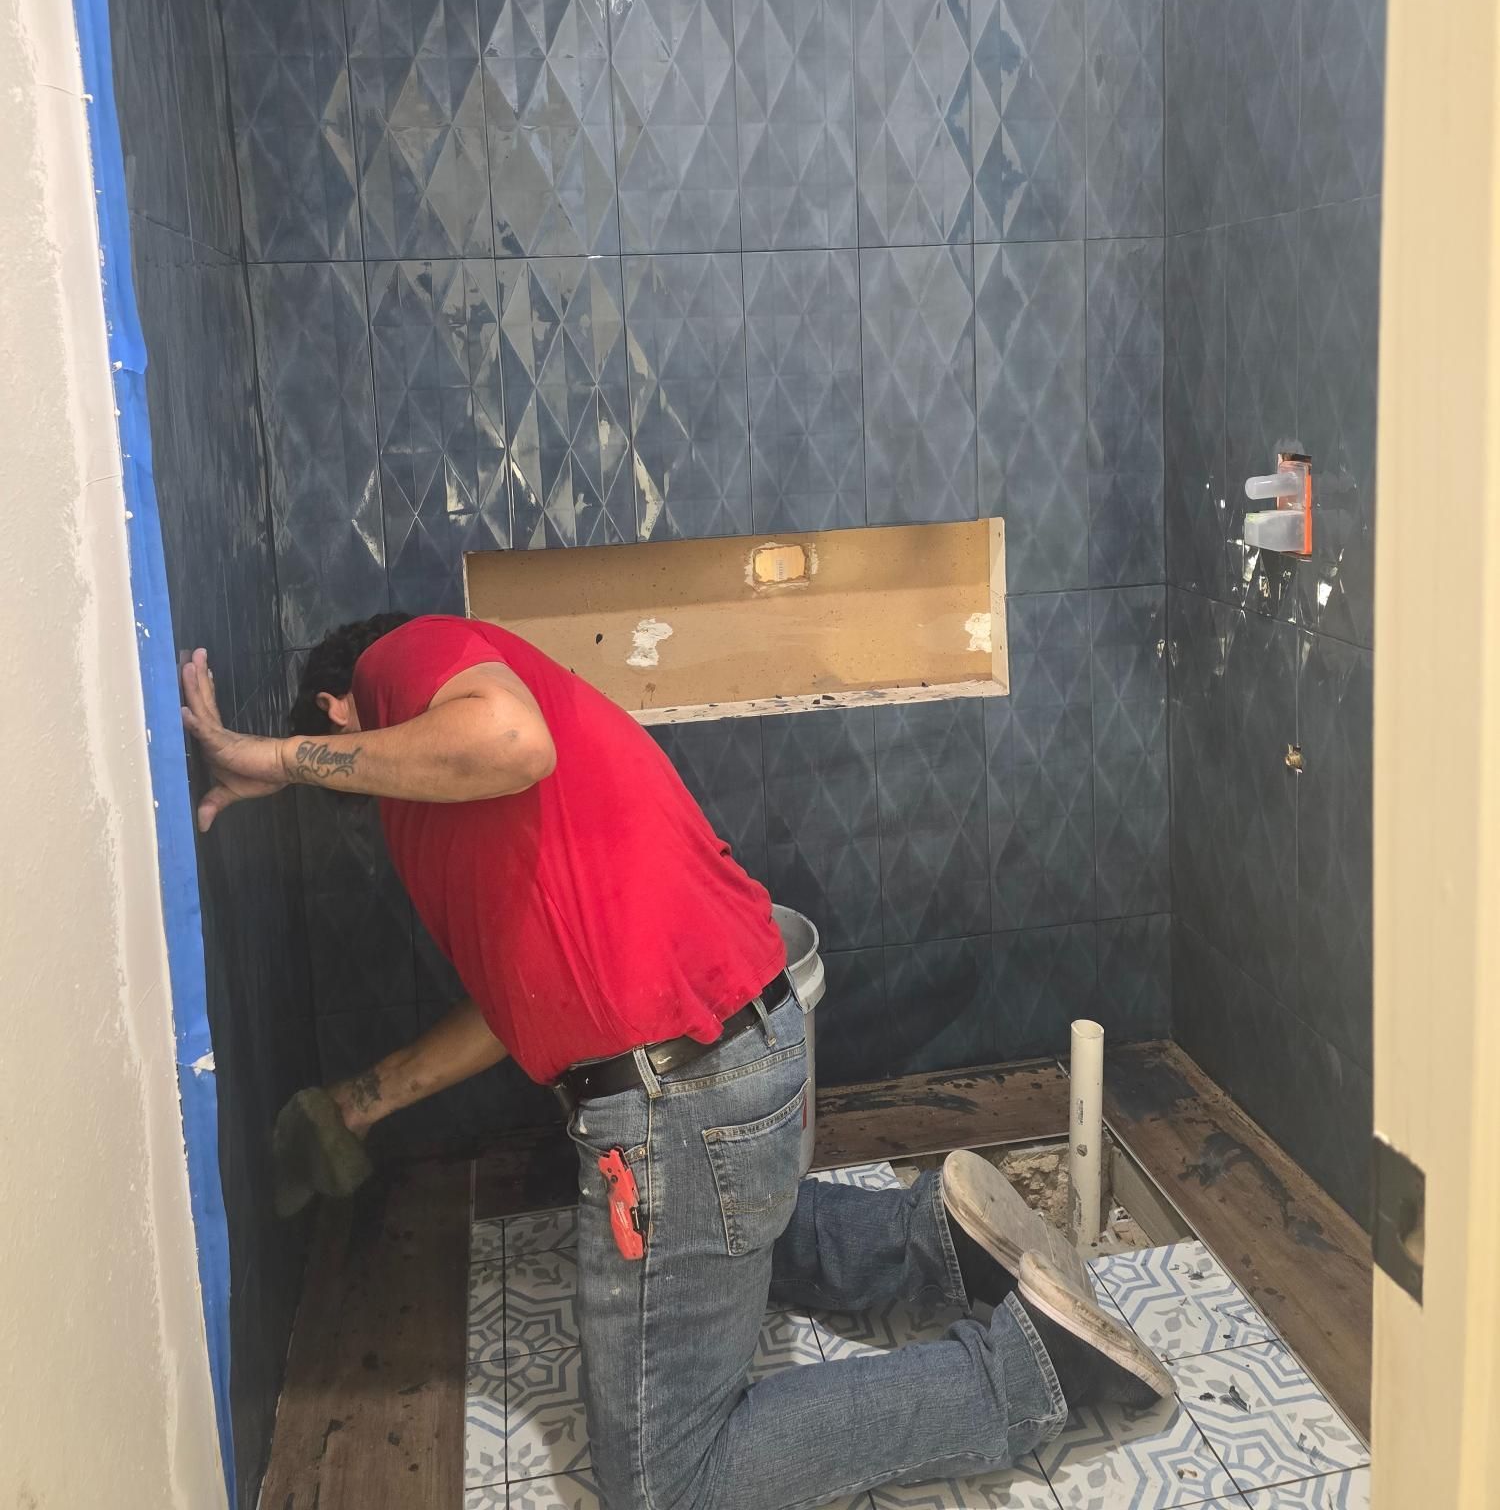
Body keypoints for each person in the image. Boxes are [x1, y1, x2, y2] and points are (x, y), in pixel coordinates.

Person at [180, 611, 1169, 1510]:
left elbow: (507, 740)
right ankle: (937, 1244)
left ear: (338, 704)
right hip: (736, 1051)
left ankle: (1030, 1370)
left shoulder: (405, 658)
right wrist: (362, 1100)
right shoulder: (485, 799)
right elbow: (517, 998)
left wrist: (277, 758)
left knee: (668, 1481)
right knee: (714, 1227)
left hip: (680, 1088)